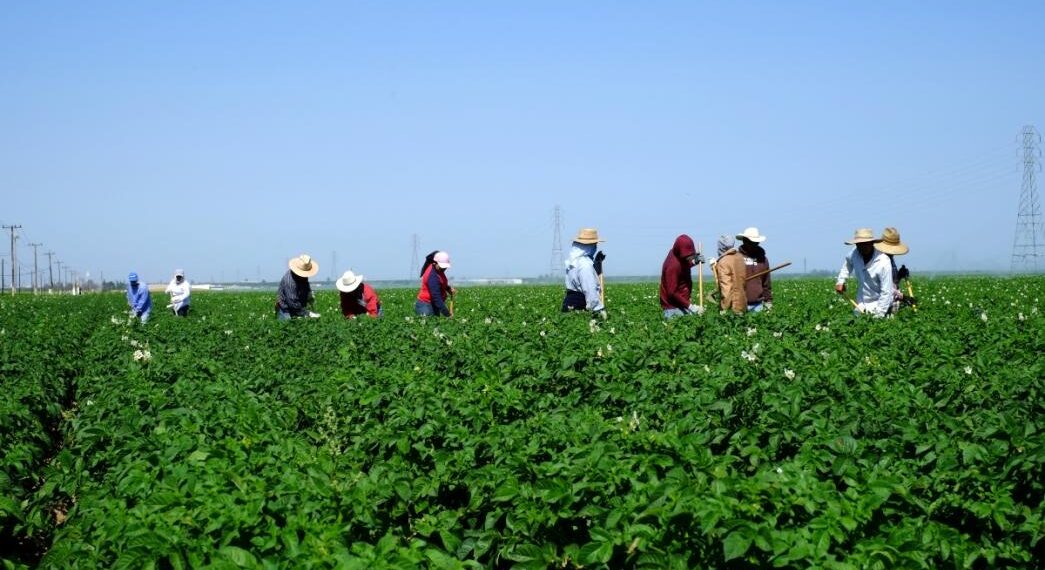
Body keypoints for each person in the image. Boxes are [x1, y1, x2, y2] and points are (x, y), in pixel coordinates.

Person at [835, 228, 895, 317]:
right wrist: (841, 281)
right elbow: (847, 265)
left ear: (872, 243)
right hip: (861, 305)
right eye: (859, 244)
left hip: (880, 306)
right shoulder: (855, 253)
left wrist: (879, 314)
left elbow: (886, 292)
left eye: (865, 244)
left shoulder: (883, 261)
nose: (862, 247)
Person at [561, 228, 606, 316]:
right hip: (580, 305)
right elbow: (589, 288)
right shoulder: (585, 264)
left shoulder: (573, 261)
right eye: (594, 245)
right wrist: (598, 309)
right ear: (588, 247)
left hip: (569, 302)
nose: (595, 248)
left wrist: (597, 263)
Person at [659, 234, 705, 319]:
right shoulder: (672, 266)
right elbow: (672, 292)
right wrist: (691, 307)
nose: (690, 258)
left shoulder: (677, 254)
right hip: (673, 308)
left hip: (680, 305)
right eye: (688, 257)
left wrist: (695, 261)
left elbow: (683, 265)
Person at [874, 227, 911, 313]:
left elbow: (892, 281)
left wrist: (899, 275)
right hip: (883, 304)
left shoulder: (890, 258)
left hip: (893, 300)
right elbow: (884, 287)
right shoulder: (880, 261)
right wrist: (903, 297)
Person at [736, 227, 773, 312]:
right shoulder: (737, 258)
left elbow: (766, 282)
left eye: (755, 242)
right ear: (744, 241)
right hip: (739, 304)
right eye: (750, 242)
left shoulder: (763, 259)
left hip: (758, 304)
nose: (754, 244)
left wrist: (768, 301)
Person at [710, 235, 747, 314]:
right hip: (742, 303)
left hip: (732, 308)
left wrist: (724, 309)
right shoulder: (740, 257)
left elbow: (726, 289)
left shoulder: (723, 262)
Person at [276, 254, 320, 320]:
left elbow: (306, 285)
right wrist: (308, 314)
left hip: (299, 309)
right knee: (288, 328)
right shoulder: (290, 281)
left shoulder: (303, 277)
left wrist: (309, 294)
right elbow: (292, 303)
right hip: (286, 311)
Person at [416, 251, 454, 317]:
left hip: (433, 305)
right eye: (442, 267)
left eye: (445, 267)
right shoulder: (432, 276)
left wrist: (448, 288)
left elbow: (440, 283)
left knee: (435, 325)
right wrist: (448, 315)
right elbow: (437, 298)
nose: (444, 269)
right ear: (435, 263)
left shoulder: (438, 269)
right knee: (430, 325)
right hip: (426, 306)